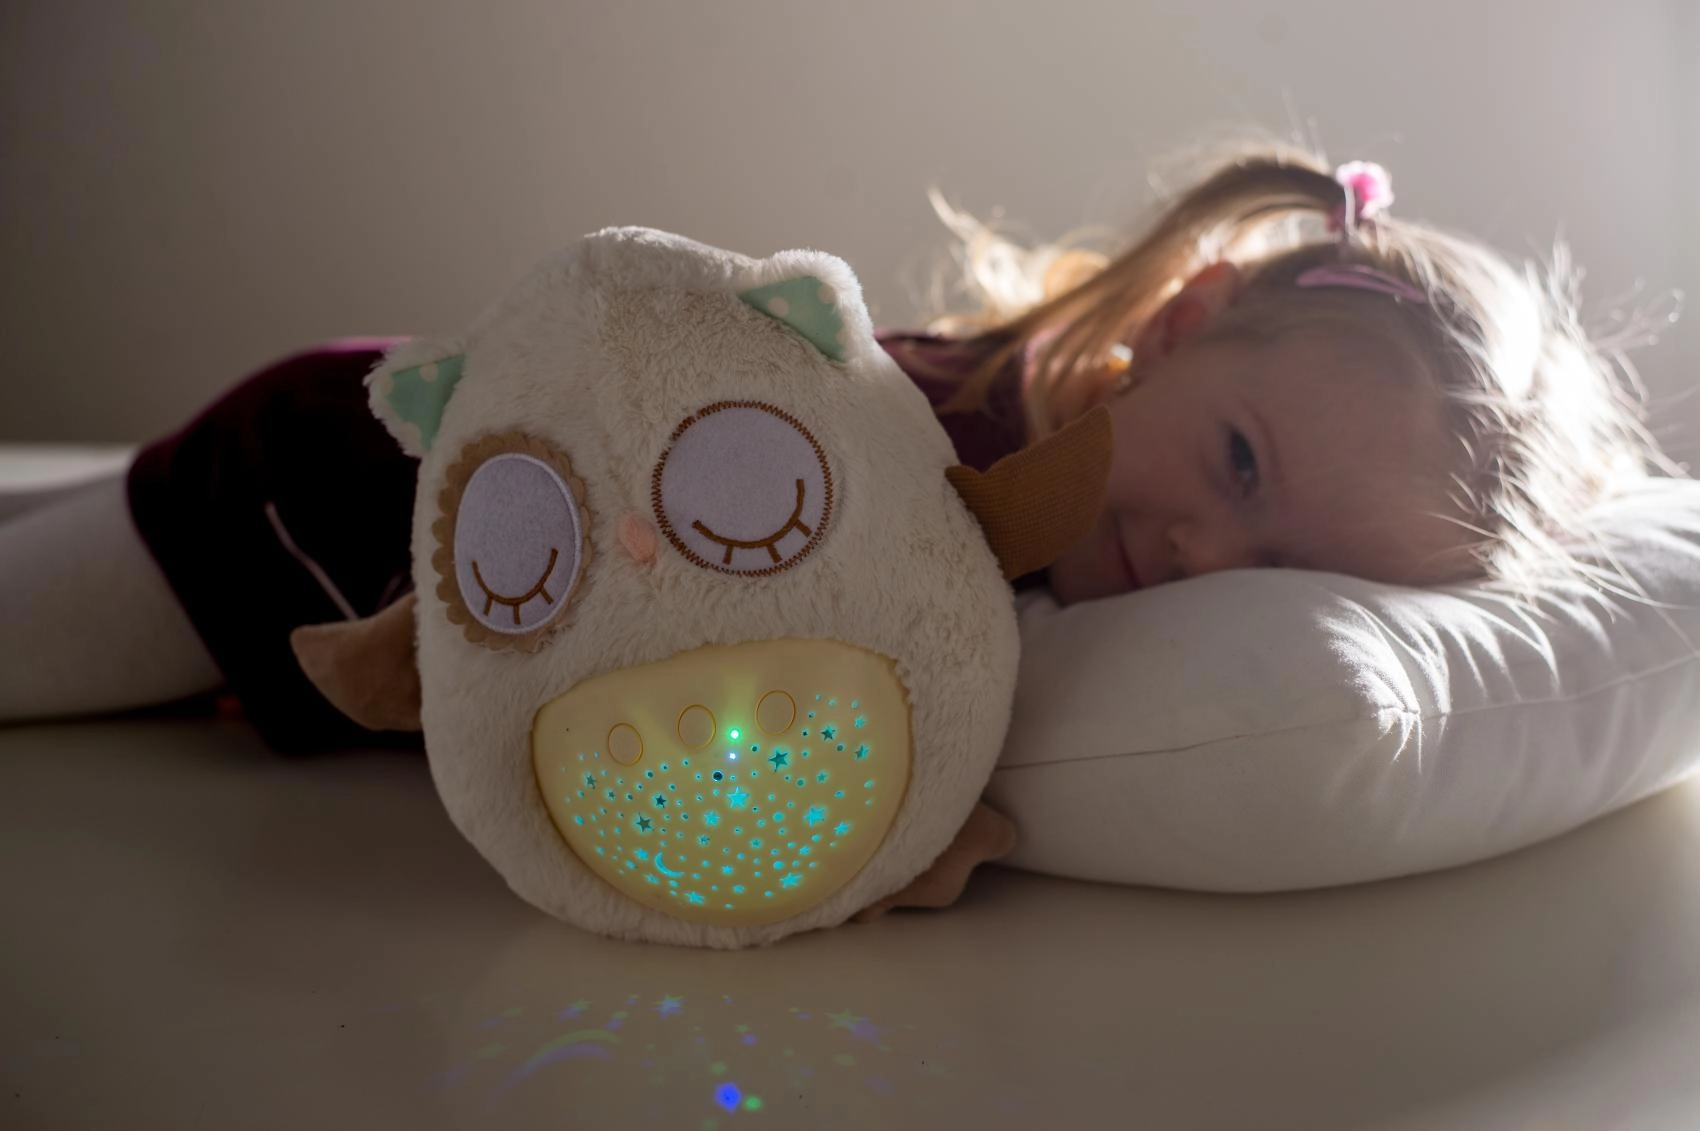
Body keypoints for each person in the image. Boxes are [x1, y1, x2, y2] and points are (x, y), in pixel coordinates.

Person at [0, 142, 1674, 752]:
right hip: (323, 496)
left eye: (1289, 573)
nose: (1204, 560)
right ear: (1180, 322)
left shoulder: (1092, 614)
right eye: (1240, 466)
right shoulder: (939, 448)